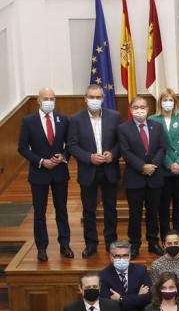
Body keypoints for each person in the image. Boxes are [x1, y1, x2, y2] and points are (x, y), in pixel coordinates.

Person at [18, 87, 73, 262]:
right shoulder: (28, 121)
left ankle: (65, 244)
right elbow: (22, 148)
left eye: (52, 98)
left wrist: (63, 155)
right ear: (38, 100)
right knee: (39, 213)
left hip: (59, 172)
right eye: (46, 98)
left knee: (62, 210)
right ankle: (41, 247)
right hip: (39, 173)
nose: (49, 101)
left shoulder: (63, 119)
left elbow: (71, 144)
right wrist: (41, 161)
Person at [67, 84, 121, 258]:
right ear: (85, 98)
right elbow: (72, 146)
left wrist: (112, 154)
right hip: (88, 170)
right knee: (88, 210)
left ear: (103, 99)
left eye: (98, 97)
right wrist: (89, 157)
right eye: (91, 97)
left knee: (110, 208)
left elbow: (121, 143)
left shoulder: (114, 117)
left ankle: (111, 242)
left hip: (109, 169)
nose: (95, 100)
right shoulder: (75, 119)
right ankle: (91, 244)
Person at [118, 95, 166, 258]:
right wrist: (142, 167)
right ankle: (135, 244)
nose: (139, 110)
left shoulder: (157, 126)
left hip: (155, 176)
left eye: (142, 107)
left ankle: (153, 242)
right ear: (131, 110)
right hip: (135, 177)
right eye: (136, 107)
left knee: (153, 212)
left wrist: (153, 166)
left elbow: (162, 148)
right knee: (135, 214)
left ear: (148, 109)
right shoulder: (124, 128)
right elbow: (126, 152)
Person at [150, 88, 179, 243]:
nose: (168, 103)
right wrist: (169, 164)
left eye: (170, 100)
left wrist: (178, 162)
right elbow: (157, 145)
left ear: (175, 102)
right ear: (160, 102)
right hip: (163, 168)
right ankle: (166, 237)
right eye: (165, 100)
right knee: (164, 204)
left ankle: (178, 236)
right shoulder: (153, 118)